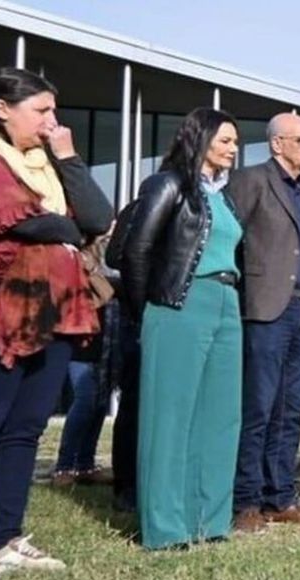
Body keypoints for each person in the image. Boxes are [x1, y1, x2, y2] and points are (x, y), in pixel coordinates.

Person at [0, 68, 112, 577]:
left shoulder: (50, 164)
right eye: (41, 111)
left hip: (57, 307)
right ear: (1, 109)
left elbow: (98, 218)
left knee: (26, 427)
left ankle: (3, 536)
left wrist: (67, 157)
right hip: (3, 305)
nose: (50, 123)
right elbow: (29, 221)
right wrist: (63, 226)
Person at [114, 107, 246, 548]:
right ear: (200, 138)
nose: (233, 148)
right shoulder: (168, 183)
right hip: (179, 303)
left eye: (235, 141)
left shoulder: (224, 197)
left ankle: (209, 522)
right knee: (169, 418)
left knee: (220, 417)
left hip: (227, 303)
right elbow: (135, 252)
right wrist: (148, 311)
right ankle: (165, 527)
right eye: (225, 140)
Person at [226, 112, 300, 532]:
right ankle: (245, 499)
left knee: (290, 410)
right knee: (258, 407)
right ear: (276, 144)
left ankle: (280, 495)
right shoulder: (250, 181)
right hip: (267, 308)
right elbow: (229, 241)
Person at [50, 234, 117, 488]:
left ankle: (85, 464)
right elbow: (106, 293)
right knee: (86, 399)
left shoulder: (98, 264)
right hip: (80, 345)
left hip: (102, 345)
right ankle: (65, 466)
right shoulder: (76, 261)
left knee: (99, 404)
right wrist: (91, 271)